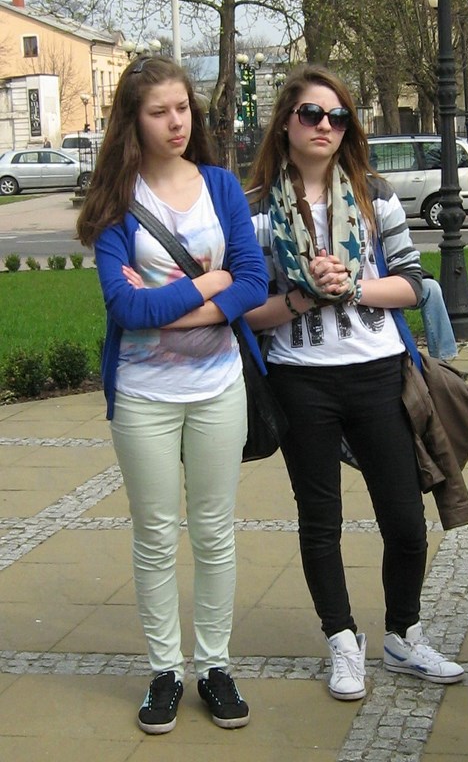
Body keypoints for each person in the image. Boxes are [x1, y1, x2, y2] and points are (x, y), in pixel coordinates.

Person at [244, 64, 464, 702]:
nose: (325, 126)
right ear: (286, 122)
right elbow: (245, 309)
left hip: (377, 374)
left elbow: (413, 283)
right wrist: (303, 298)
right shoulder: (254, 209)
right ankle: (342, 639)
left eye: (337, 116)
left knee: (405, 517)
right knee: (321, 520)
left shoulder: (374, 193)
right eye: (312, 114)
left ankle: (403, 634)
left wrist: (352, 288)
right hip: (300, 380)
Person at [76, 55, 268, 734]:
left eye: (182, 108)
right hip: (144, 397)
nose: (175, 122)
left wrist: (174, 306)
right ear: (133, 120)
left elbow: (253, 281)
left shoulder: (219, 185)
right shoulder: (115, 203)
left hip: (218, 389)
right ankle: (165, 671)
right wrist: (211, 284)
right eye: (159, 112)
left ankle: (214, 666)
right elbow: (126, 308)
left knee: (214, 532)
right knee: (155, 536)